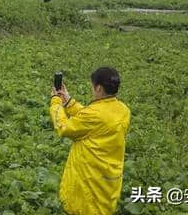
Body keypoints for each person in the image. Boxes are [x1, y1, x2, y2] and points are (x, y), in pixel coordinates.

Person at [49, 67, 131, 215]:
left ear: (98, 88)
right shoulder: (123, 110)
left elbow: (64, 127)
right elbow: (92, 118)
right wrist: (68, 102)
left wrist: (56, 101)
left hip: (89, 182)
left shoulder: (93, 116)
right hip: (108, 179)